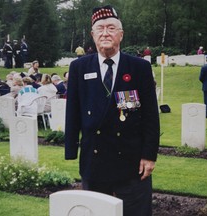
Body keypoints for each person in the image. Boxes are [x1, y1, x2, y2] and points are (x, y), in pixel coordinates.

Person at [65, 5, 160, 216]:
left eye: (111, 28)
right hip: (94, 158)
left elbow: (151, 116)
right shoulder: (79, 67)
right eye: (100, 28)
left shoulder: (139, 67)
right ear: (92, 34)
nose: (105, 33)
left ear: (121, 34)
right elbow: (72, 112)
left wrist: (149, 156)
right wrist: (71, 149)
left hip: (132, 160)